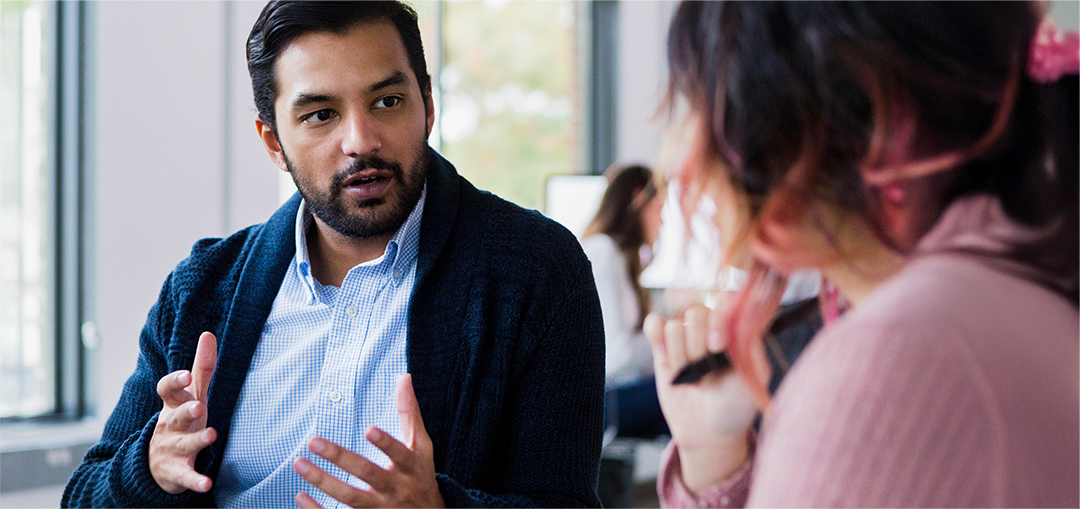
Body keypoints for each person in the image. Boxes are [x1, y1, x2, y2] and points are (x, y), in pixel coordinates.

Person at [62, 1, 605, 508]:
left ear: (428, 104)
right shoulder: (202, 288)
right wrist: (149, 468)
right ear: (274, 142)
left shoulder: (533, 271)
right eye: (320, 114)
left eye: (387, 102)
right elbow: (82, 493)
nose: (360, 140)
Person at [647, 0, 1080, 508]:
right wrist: (714, 457)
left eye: (705, 107)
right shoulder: (1017, 282)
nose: (682, 159)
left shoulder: (898, 357)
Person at [580, 164, 667, 439]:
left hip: (615, 395)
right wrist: (666, 336)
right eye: (660, 208)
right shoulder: (602, 252)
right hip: (601, 402)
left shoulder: (620, 256)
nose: (662, 221)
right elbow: (617, 356)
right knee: (687, 388)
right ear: (639, 199)